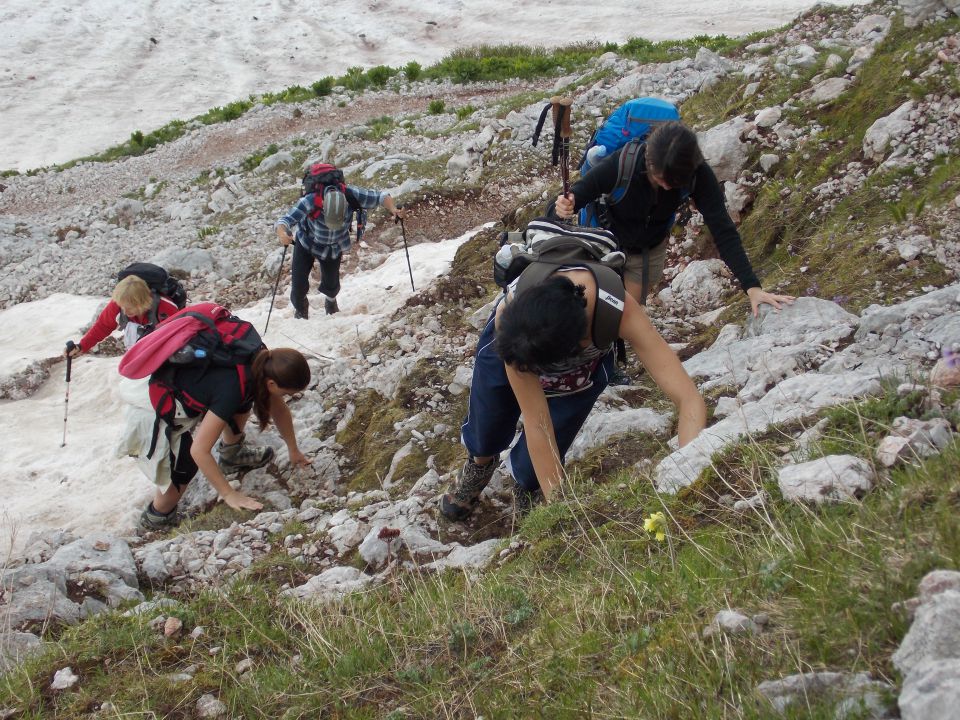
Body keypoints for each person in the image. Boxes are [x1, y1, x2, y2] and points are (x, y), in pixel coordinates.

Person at [439, 265, 707, 521]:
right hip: (522, 344)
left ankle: (527, 487)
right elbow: (536, 422)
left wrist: (686, 476)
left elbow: (688, 398)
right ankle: (479, 464)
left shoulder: (617, 310)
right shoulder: (513, 324)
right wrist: (563, 515)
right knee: (488, 422)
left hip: (578, 368)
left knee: (545, 453)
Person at [553, 121, 793, 315]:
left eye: (675, 182)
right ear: (648, 160)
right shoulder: (623, 162)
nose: (667, 187)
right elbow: (577, 196)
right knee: (592, 310)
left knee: (622, 316)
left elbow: (723, 229)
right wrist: (563, 207)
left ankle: (612, 362)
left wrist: (752, 286)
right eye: (659, 179)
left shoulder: (698, 174)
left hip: (646, 254)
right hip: (606, 247)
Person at [134, 347, 312, 530]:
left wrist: (293, 449)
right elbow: (199, 450)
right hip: (156, 406)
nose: (286, 397)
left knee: (244, 401)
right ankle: (156, 519)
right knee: (183, 467)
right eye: (286, 393)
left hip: (189, 388)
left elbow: (278, 408)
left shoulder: (262, 362)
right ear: (272, 384)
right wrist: (228, 493)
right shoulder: (233, 389)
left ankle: (231, 456)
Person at [275, 182, 406, 317]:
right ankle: (301, 307)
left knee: (332, 286)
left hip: (334, 246)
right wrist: (282, 234)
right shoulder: (310, 201)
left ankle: (330, 302)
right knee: (298, 287)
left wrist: (393, 209)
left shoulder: (351, 195)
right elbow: (284, 220)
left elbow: (381, 197)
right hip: (307, 242)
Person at [65, 275, 179, 357]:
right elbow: (103, 326)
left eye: (130, 307)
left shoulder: (166, 308)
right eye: (122, 306)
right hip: (140, 351)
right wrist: (81, 346)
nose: (125, 310)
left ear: (143, 302)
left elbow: (179, 335)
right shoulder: (120, 303)